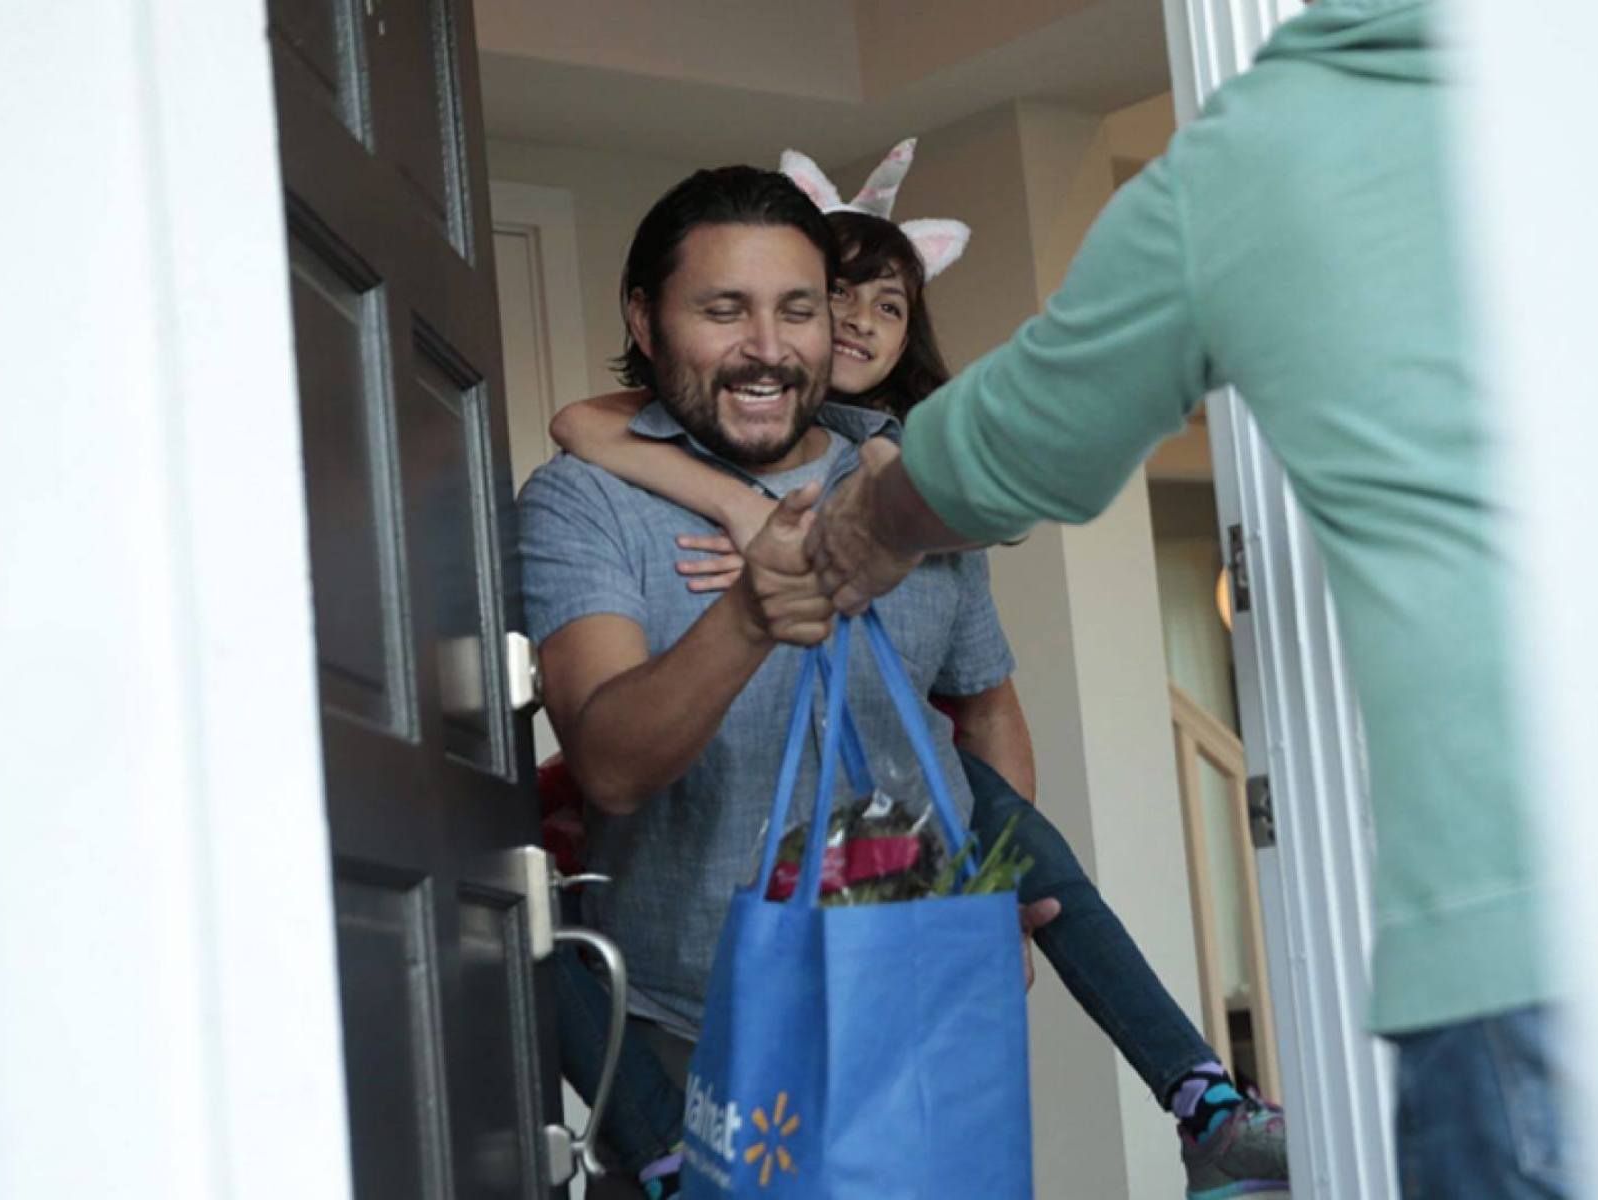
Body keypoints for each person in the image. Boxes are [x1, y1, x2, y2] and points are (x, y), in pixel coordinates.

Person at [801, 6, 1566, 1199]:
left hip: (1509, 954)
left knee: (988, 803)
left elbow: (1003, 518)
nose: (846, 325)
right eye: (822, 299)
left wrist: (873, 521)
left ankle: (1198, 1091)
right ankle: (1202, 1090)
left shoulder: (1272, 143)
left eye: (881, 304)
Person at [538, 144, 1288, 1200]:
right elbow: (610, 767)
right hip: (686, 1020)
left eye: (799, 309)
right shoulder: (588, 500)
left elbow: (985, 716)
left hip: (904, 999)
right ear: (642, 316)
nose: (769, 346)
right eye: (723, 310)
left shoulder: (904, 481)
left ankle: (1202, 1104)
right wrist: (754, 605)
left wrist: (993, 909)